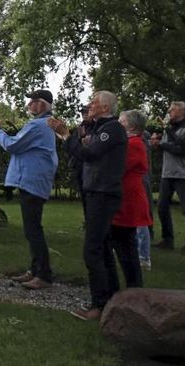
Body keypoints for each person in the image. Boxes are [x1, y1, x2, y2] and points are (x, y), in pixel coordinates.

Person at [52, 90, 126, 321]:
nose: (89, 106)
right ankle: (112, 296)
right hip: (94, 191)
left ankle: (99, 303)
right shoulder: (98, 128)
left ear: (105, 107)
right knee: (102, 246)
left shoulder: (112, 129)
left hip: (103, 193)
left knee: (92, 249)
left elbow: (89, 153)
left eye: (93, 103)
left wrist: (66, 136)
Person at [0, 89, 58, 290]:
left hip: (32, 181)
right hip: (35, 180)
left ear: (42, 104)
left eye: (33, 102)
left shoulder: (37, 125)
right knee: (31, 229)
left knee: (33, 230)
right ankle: (35, 270)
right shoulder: (45, 125)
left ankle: (43, 275)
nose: (29, 106)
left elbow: (12, 145)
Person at [150, 101, 185, 251]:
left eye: (172, 110)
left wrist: (162, 144)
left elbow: (182, 149)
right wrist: (157, 143)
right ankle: (167, 239)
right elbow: (169, 147)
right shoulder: (169, 129)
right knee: (162, 207)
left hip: (183, 174)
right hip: (168, 173)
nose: (169, 112)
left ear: (182, 112)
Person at [112, 110, 152, 289]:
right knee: (122, 242)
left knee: (126, 243)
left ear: (132, 126)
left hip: (129, 199)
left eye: (122, 121)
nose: (118, 124)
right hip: (124, 196)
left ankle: (134, 286)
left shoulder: (134, 144)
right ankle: (133, 285)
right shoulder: (131, 142)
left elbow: (119, 166)